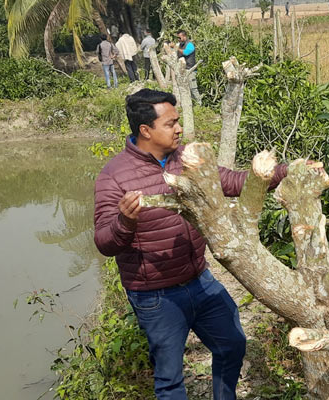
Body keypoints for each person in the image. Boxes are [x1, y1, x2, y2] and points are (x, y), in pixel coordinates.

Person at [93, 89, 289, 399]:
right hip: (154, 295)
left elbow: (235, 182)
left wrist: (286, 172)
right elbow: (104, 242)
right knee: (170, 379)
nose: (179, 129)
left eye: (178, 121)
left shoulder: (188, 161)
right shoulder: (114, 177)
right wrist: (125, 222)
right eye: (170, 123)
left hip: (200, 279)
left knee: (233, 344)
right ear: (145, 130)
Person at [176, 31, 202, 105]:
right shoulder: (180, 45)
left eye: (179, 37)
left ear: (184, 36)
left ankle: (199, 104)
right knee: (185, 89)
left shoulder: (190, 45)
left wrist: (176, 48)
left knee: (193, 89)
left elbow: (186, 52)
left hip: (190, 70)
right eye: (177, 37)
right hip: (183, 70)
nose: (178, 39)